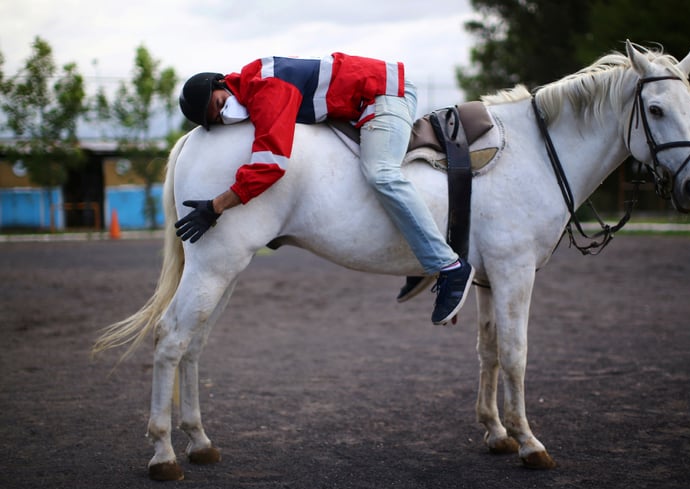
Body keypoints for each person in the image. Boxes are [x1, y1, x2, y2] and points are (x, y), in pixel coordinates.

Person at [176, 52, 474, 325]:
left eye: (220, 104)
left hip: (384, 94)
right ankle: (420, 254)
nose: (226, 114)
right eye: (219, 119)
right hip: (358, 104)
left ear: (222, 83)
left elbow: (271, 165)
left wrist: (217, 205)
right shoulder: (254, 83)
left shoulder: (267, 89)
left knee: (381, 174)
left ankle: (449, 267)